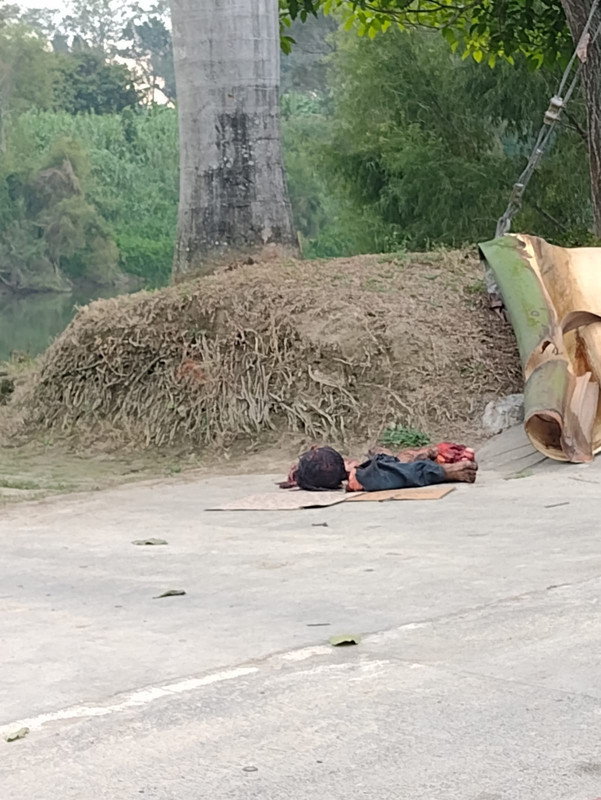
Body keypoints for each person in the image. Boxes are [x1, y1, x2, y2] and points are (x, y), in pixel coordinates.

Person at [279, 443, 477, 492]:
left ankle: (427, 458)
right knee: (397, 466)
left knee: (383, 455)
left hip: (382, 465)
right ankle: (452, 470)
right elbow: (406, 474)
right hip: (417, 470)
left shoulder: (361, 473)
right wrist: (449, 472)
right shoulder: (365, 477)